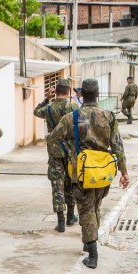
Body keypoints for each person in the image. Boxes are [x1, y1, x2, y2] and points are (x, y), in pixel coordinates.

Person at [49, 79, 130, 269]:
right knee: (95, 206)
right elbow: (118, 145)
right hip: (103, 170)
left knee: (85, 210)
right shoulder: (108, 116)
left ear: (81, 94)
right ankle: (89, 242)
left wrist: (70, 152)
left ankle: (92, 253)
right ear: (98, 94)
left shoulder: (72, 117)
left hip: (82, 171)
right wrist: (124, 172)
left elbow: (54, 138)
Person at [34, 78, 80, 232]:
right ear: (68, 92)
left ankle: (60, 222)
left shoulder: (48, 109)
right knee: (71, 183)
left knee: (57, 185)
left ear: (56, 91)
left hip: (54, 152)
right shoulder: (73, 107)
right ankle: (71, 216)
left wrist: (47, 97)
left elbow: (36, 111)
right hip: (70, 151)